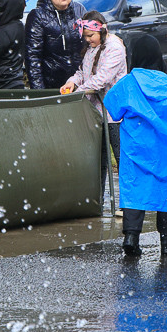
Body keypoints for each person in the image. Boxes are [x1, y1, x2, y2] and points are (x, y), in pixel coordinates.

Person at [104, 34, 167, 257]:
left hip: (136, 146)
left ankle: (131, 237)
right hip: (166, 147)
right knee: (166, 189)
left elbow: (112, 107)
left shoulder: (128, 83)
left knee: (135, 189)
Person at [61, 12, 128, 208]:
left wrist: (79, 93)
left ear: (102, 30)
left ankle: (128, 203)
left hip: (115, 113)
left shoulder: (114, 47)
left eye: (91, 35)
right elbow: (84, 72)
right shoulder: (92, 48)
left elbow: (103, 78)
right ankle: (96, 200)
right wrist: (72, 83)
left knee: (120, 157)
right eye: (85, 36)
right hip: (97, 112)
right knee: (99, 159)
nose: (87, 40)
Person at [25, 0, 85, 89]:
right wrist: (39, 91)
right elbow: (33, 57)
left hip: (78, 81)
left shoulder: (79, 10)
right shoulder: (38, 16)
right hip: (51, 82)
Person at [0, 0, 26, 89]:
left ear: (4, 8)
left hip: (2, 85)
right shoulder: (19, 26)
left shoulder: (2, 32)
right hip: (16, 82)